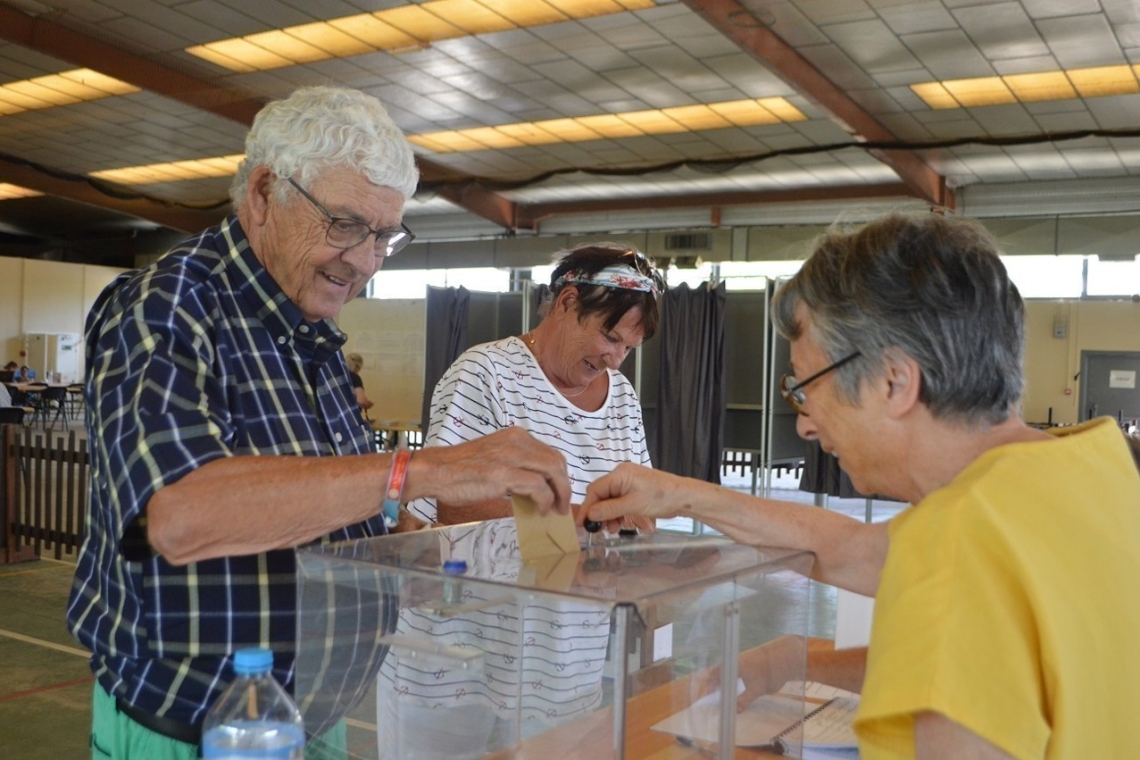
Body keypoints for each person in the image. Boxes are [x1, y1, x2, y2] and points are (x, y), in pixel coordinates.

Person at [66, 86, 571, 760]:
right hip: (202, 731)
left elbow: (351, 517)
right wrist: (423, 468)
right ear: (264, 194)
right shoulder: (170, 303)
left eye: (384, 236)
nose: (364, 262)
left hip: (310, 712)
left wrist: (475, 552)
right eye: (344, 224)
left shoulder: (312, 334)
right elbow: (180, 517)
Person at [582, 212, 1140, 760]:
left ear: (895, 381)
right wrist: (679, 495)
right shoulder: (1093, 465)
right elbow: (860, 555)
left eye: (806, 386)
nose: (802, 421)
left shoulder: (957, 543)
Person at [406, 243, 664, 526]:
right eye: (611, 338)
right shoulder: (488, 372)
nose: (615, 361)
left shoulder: (622, 395)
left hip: (589, 570)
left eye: (628, 348)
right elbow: (455, 502)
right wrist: (589, 521)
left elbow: (643, 508)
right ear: (567, 303)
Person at [345, 352, 374, 418]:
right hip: (351, 417)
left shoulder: (335, 376)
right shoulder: (355, 377)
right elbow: (361, 401)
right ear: (357, 367)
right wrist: (367, 403)